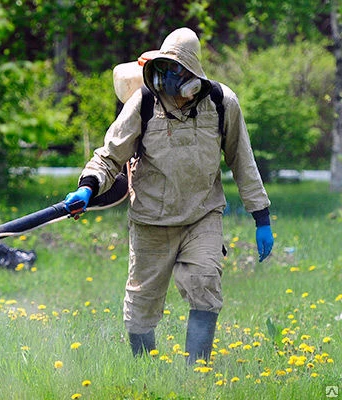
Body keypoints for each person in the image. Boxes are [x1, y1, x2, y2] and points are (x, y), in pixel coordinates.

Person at [63, 27, 274, 364]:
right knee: (141, 305)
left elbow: (242, 159)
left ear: (192, 72)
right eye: (163, 68)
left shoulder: (222, 102)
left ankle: (197, 370)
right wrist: (87, 187)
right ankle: (145, 370)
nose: (168, 77)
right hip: (151, 219)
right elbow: (110, 154)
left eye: (176, 69)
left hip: (202, 214)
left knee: (205, 284)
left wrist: (260, 216)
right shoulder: (144, 101)